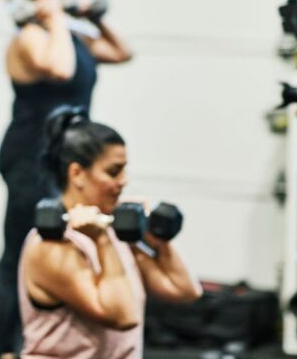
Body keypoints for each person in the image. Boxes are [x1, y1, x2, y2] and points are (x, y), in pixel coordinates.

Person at [0, 0, 133, 358]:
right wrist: (57, 21)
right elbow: (60, 68)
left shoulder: (75, 35)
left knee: (58, 251)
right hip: (30, 158)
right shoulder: (29, 36)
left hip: (67, 160)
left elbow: (123, 52)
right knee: (18, 257)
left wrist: (93, 20)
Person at [17, 105, 201, 358]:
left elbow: (185, 290)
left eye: (124, 169)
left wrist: (153, 238)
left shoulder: (114, 229)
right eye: (114, 171)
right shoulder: (51, 245)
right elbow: (124, 316)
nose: (124, 180)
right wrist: (102, 241)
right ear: (77, 173)